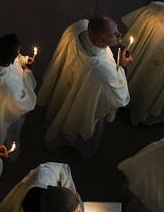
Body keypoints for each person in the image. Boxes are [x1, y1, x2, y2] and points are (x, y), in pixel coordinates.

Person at [38, 15, 130, 157]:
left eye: (117, 29)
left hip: (64, 85)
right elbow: (120, 98)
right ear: (100, 41)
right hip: (84, 101)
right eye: (114, 34)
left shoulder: (77, 28)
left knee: (62, 103)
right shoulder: (103, 70)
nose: (120, 35)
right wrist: (122, 67)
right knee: (75, 116)